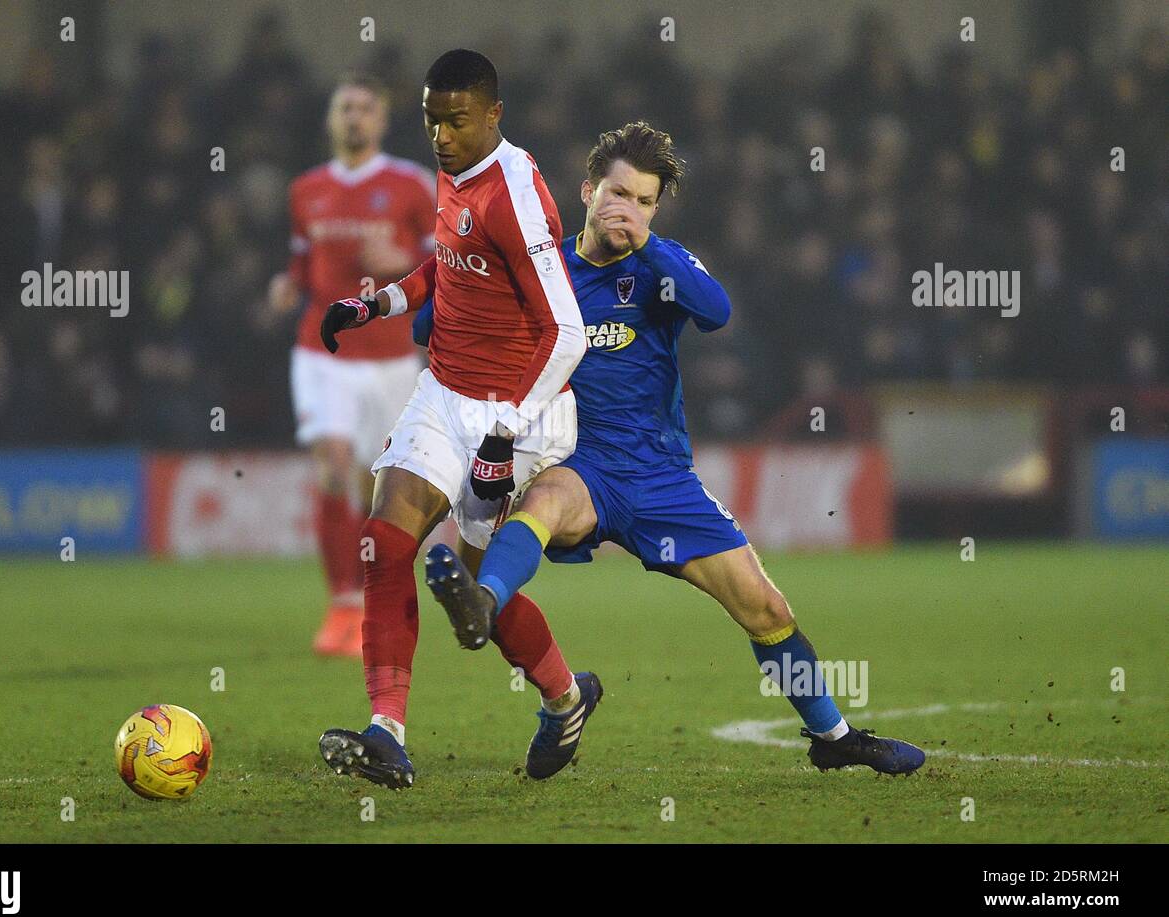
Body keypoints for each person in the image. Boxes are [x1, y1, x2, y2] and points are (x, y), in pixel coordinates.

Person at [423, 122, 926, 776]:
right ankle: (482, 603)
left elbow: (716, 312)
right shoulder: (541, 271)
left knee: (766, 609)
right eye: (616, 193)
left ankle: (832, 738)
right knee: (542, 503)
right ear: (586, 191)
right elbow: (433, 322)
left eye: (642, 201)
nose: (625, 210)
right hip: (584, 466)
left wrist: (650, 246)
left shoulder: (661, 265)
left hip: (662, 480)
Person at [315, 50, 596, 790]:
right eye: (432, 119)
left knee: (477, 610)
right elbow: (449, 263)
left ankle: (566, 698)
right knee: (383, 543)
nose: (440, 134)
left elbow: (567, 331)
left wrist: (506, 434)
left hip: (515, 412)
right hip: (443, 392)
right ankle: (387, 732)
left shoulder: (516, 191)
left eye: (456, 120)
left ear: (494, 114)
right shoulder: (454, 168)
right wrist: (379, 302)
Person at [267, 74, 435, 657]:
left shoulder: (414, 185)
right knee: (333, 465)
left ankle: (373, 598)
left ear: (382, 119)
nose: (354, 117)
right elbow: (300, 260)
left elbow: (454, 261)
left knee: (377, 487)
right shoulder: (306, 190)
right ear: (331, 118)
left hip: (391, 357)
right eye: (345, 107)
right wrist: (287, 286)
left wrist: (404, 257)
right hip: (323, 351)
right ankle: (341, 604)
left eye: (365, 107)